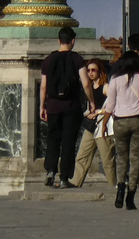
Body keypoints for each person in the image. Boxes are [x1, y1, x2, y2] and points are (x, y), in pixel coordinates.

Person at [105, 48, 139, 210]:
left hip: (120, 121)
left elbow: (110, 105)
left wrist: (104, 124)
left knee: (121, 157)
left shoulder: (115, 80)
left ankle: (120, 186)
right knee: (135, 157)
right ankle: (131, 195)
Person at [39, 27, 92, 188]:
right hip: (71, 106)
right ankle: (64, 178)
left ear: (58, 40)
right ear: (73, 41)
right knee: (69, 142)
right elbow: (85, 83)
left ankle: (50, 170)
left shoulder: (49, 60)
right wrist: (92, 102)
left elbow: (43, 86)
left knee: (53, 139)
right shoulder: (77, 59)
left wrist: (42, 106)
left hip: (53, 106)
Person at [70, 58, 117, 188]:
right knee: (82, 155)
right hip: (91, 126)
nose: (90, 73)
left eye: (93, 70)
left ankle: (113, 186)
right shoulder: (89, 86)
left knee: (107, 159)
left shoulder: (105, 87)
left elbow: (114, 104)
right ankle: (76, 182)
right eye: (88, 70)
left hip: (103, 126)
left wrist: (99, 112)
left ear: (100, 71)